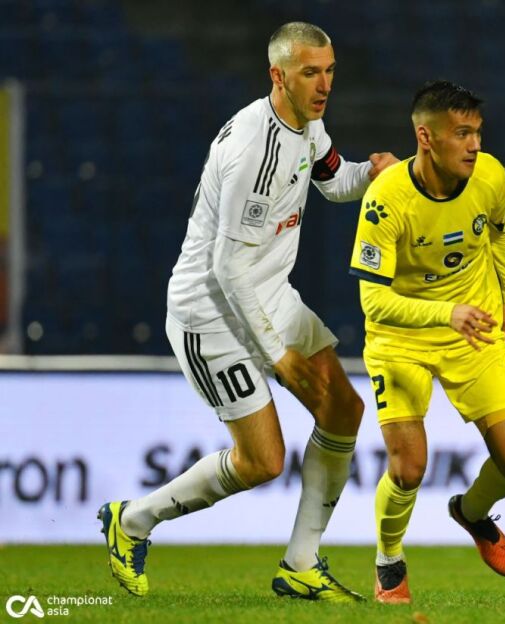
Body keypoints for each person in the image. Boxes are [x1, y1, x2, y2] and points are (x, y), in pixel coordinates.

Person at [98, 22, 397, 602]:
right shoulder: (253, 152)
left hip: (267, 294)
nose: (325, 85)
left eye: (330, 71)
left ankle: (301, 565)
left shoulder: (307, 125)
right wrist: (277, 354)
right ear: (277, 76)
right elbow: (227, 267)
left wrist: (372, 174)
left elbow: (333, 180)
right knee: (262, 462)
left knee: (344, 409)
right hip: (210, 313)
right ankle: (131, 520)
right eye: (311, 73)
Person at [348, 80, 505, 604]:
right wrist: (445, 312)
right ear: (426, 138)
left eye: (477, 132)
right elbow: (373, 302)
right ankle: (389, 560)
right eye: (461, 134)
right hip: (401, 339)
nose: (474, 145)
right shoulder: (386, 200)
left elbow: (501, 227)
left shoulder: (491, 176)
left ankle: (471, 513)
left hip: (473, 329)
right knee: (409, 468)